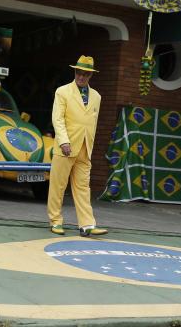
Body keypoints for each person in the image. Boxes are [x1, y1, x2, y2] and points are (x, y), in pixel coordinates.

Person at [47, 55, 108, 237]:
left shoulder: (96, 96)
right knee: (58, 186)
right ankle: (55, 221)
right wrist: (64, 141)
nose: (81, 77)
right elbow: (57, 119)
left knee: (83, 187)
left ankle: (87, 224)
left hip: (84, 148)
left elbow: (93, 123)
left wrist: (90, 145)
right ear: (74, 72)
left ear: (91, 75)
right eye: (78, 73)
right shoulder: (62, 92)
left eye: (85, 74)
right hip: (65, 147)